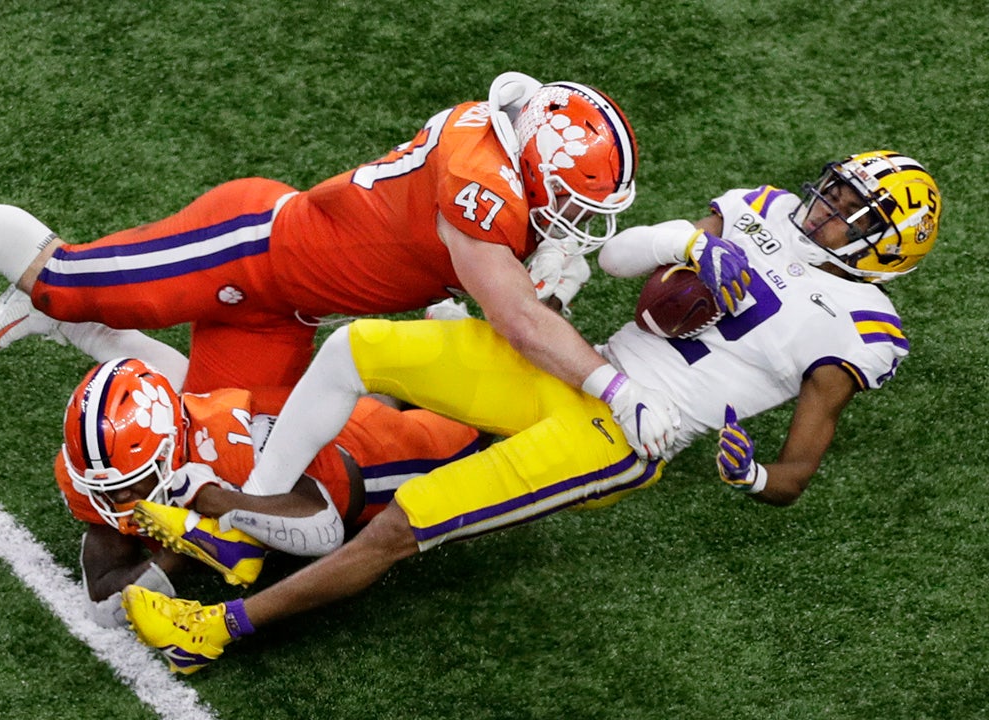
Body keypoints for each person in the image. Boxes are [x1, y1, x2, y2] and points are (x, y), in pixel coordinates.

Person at [119, 150, 942, 674]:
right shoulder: (757, 208)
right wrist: (685, 245)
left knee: (408, 521)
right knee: (358, 348)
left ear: (887, 247)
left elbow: (796, 474)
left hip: (623, 435)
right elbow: (620, 258)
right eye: (835, 188)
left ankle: (216, 630)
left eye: (851, 210)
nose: (824, 206)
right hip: (589, 373)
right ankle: (238, 532)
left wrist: (752, 471)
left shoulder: (861, 327)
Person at [0, 73, 681, 459]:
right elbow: (514, 321)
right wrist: (612, 386)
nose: (571, 221)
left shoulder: (501, 155)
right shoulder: (480, 184)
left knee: (223, 441)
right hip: (252, 250)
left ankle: (84, 325)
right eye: (565, 200)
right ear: (527, 164)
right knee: (61, 273)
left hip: (286, 307)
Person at [57, 356, 484, 627]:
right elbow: (106, 605)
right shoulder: (103, 475)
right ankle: (395, 377)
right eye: (111, 488)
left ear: (171, 449)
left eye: (136, 483)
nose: (120, 501)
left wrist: (215, 502)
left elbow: (324, 530)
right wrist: (185, 542)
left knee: (472, 431)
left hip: (361, 459)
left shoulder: (230, 441)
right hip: (309, 417)